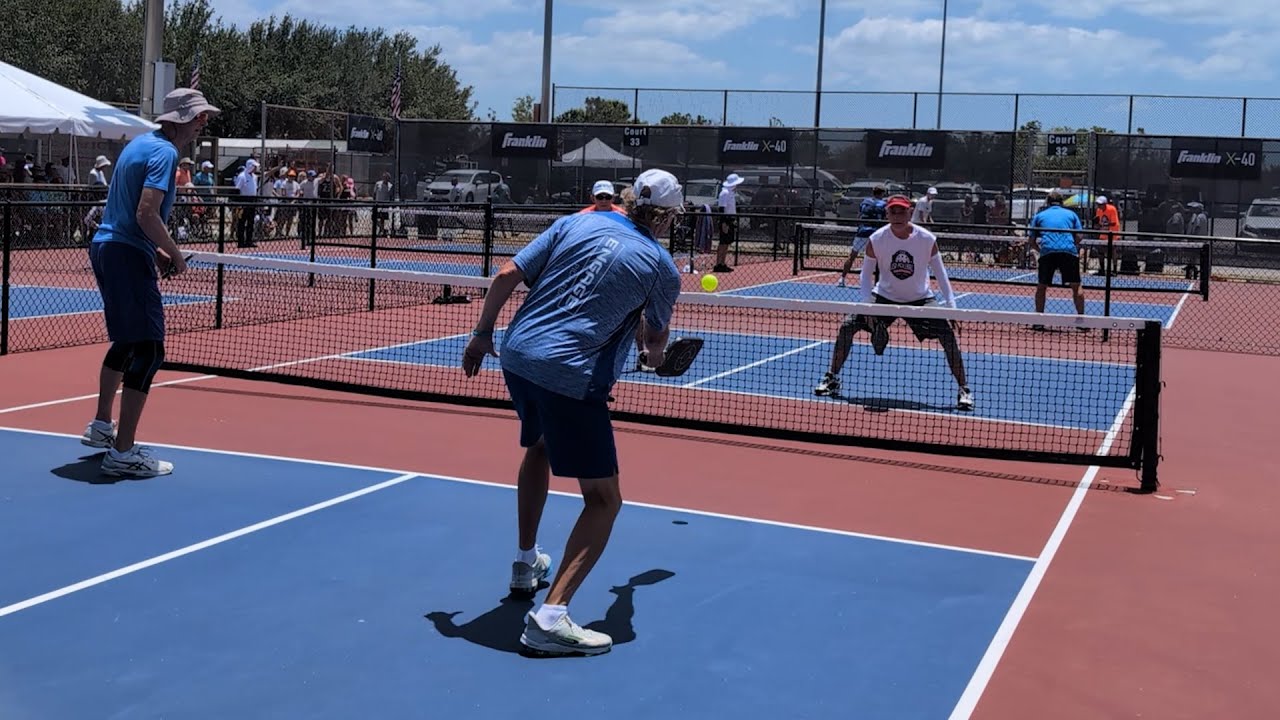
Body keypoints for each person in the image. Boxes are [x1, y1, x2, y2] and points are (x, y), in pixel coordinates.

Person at [461, 168, 683, 658]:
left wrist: (481, 334)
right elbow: (654, 340)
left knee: (539, 447)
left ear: (628, 198)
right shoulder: (662, 267)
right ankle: (551, 616)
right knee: (605, 501)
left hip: (517, 356)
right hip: (572, 375)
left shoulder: (576, 223)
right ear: (666, 217)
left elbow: (505, 275)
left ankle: (525, 564)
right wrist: (656, 361)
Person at [80, 88, 219, 478]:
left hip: (109, 247)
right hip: (124, 252)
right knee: (150, 350)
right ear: (181, 119)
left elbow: (123, 210)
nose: (202, 123)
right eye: (198, 117)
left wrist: (152, 251)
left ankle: (102, 427)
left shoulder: (139, 145)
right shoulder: (164, 153)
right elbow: (145, 213)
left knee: (127, 342)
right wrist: (174, 254)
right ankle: (123, 452)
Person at [814, 194, 974, 411]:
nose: (897, 216)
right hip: (883, 298)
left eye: (902, 211)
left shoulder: (926, 239)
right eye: (893, 212)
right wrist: (868, 306)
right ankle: (831, 377)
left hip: (920, 300)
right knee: (847, 326)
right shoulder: (877, 239)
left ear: (910, 212)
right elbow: (865, 274)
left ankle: (964, 389)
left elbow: (941, 274)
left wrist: (952, 308)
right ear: (887, 213)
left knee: (947, 336)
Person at [1028, 190, 1085, 325]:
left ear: (1048, 202)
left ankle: (1039, 320)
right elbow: (1080, 236)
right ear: (1062, 202)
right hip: (1068, 252)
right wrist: (1070, 245)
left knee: (1041, 286)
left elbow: (1031, 240)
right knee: (1076, 286)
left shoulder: (1039, 215)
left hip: (1048, 252)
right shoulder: (1071, 214)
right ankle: (1082, 320)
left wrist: (1041, 250)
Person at [837, 185, 886, 287]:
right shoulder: (883, 204)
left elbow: (859, 215)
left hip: (861, 233)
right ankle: (878, 283)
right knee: (879, 259)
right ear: (882, 193)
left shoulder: (865, 202)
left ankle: (842, 279)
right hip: (875, 235)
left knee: (852, 256)